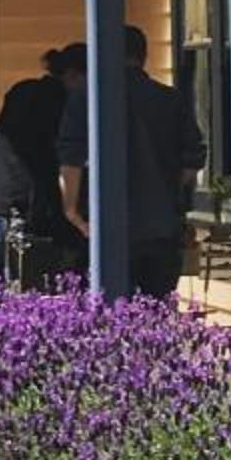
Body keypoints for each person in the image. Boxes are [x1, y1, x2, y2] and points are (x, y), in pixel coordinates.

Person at [57, 23, 205, 299]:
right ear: (143, 56)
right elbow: (192, 160)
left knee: (107, 316)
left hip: (105, 225)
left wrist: (72, 212)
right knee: (156, 315)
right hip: (160, 228)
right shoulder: (170, 99)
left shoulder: (86, 99)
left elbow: (71, 160)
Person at [0, 44, 86, 280]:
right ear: (73, 74)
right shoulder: (62, 104)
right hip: (40, 213)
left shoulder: (21, 94)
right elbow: (58, 160)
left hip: (4, 204)